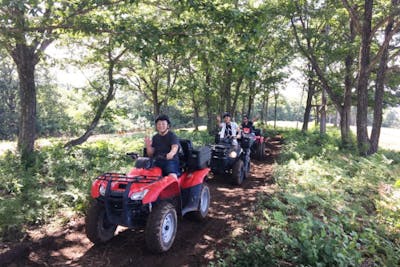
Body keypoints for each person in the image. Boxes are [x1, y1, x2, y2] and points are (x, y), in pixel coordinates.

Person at [144, 114, 180, 179]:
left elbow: (175, 147)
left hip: (170, 161)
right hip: (157, 161)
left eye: (163, 124)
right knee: (145, 175)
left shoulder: (172, 136)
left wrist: (171, 153)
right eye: (159, 124)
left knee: (172, 176)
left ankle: (175, 188)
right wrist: (148, 146)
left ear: (168, 126)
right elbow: (150, 154)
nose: (161, 126)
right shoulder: (155, 137)